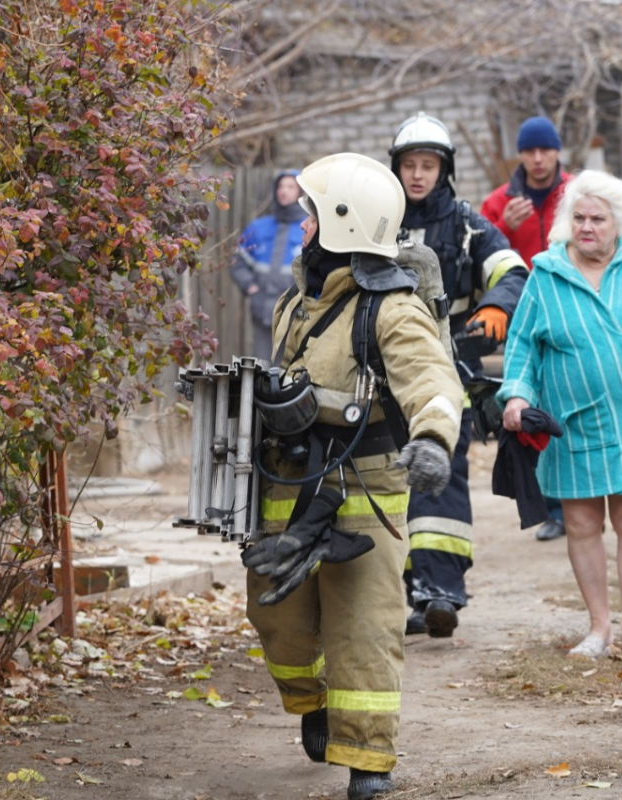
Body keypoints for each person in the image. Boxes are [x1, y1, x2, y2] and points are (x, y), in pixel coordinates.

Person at [244, 152, 463, 800]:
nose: (301, 223)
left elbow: (434, 382)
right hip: (287, 492)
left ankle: (370, 764)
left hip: (365, 491)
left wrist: (431, 439)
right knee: (275, 617)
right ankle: (312, 701)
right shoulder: (294, 300)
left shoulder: (390, 309)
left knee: (364, 629)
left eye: (310, 213)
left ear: (341, 224)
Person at [496, 170, 622, 661]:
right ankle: (598, 629)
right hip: (570, 425)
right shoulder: (545, 273)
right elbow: (521, 348)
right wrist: (517, 397)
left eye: (598, 219)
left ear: (617, 222)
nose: (587, 227)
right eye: (579, 217)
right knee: (582, 525)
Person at [387, 112, 529, 638]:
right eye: (409, 165)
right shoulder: (375, 221)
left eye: (427, 165)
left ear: (443, 170)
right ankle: (407, 593)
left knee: (439, 481)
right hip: (384, 379)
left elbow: (511, 270)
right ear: (395, 168)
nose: (418, 174)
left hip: (450, 375)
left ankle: (440, 591)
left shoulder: (468, 224)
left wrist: (495, 306)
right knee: (388, 484)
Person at [480, 115, 574, 542]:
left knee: (569, 409)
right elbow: (479, 258)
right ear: (520, 155)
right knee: (532, 414)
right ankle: (552, 510)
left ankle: (579, 504)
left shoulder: (577, 193)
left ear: (557, 152)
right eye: (530, 151)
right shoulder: (499, 202)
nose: (538, 159)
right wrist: (505, 228)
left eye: (546, 150)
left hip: (571, 313)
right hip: (523, 318)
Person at [230, 170, 306, 360]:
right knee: (262, 365)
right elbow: (236, 261)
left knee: (292, 368)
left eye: (290, 187)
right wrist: (251, 287)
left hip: (297, 313)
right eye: (281, 186)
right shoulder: (258, 227)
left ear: (300, 192)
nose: (284, 191)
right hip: (262, 309)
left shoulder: (308, 227)